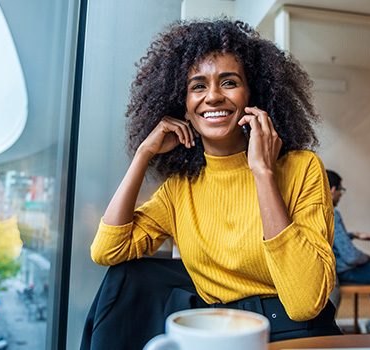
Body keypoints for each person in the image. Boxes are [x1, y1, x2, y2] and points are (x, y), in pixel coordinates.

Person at [88, 19, 341, 347]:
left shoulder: (302, 168)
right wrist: (142, 155)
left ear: (254, 93)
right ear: (184, 105)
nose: (213, 97)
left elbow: (304, 301)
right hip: (219, 333)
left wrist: (263, 173)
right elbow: (107, 251)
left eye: (229, 82)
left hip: (296, 332)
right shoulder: (180, 189)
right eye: (198, 86)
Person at [326, 169, 370, 333]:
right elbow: (351, 257)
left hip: (335, 269)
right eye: (341, 190)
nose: (341, 195)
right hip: (345, 271)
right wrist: (368, 258)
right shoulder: (333, 213)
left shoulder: (317, 211)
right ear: (332, 190)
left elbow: (332, 240)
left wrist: (353, 235)